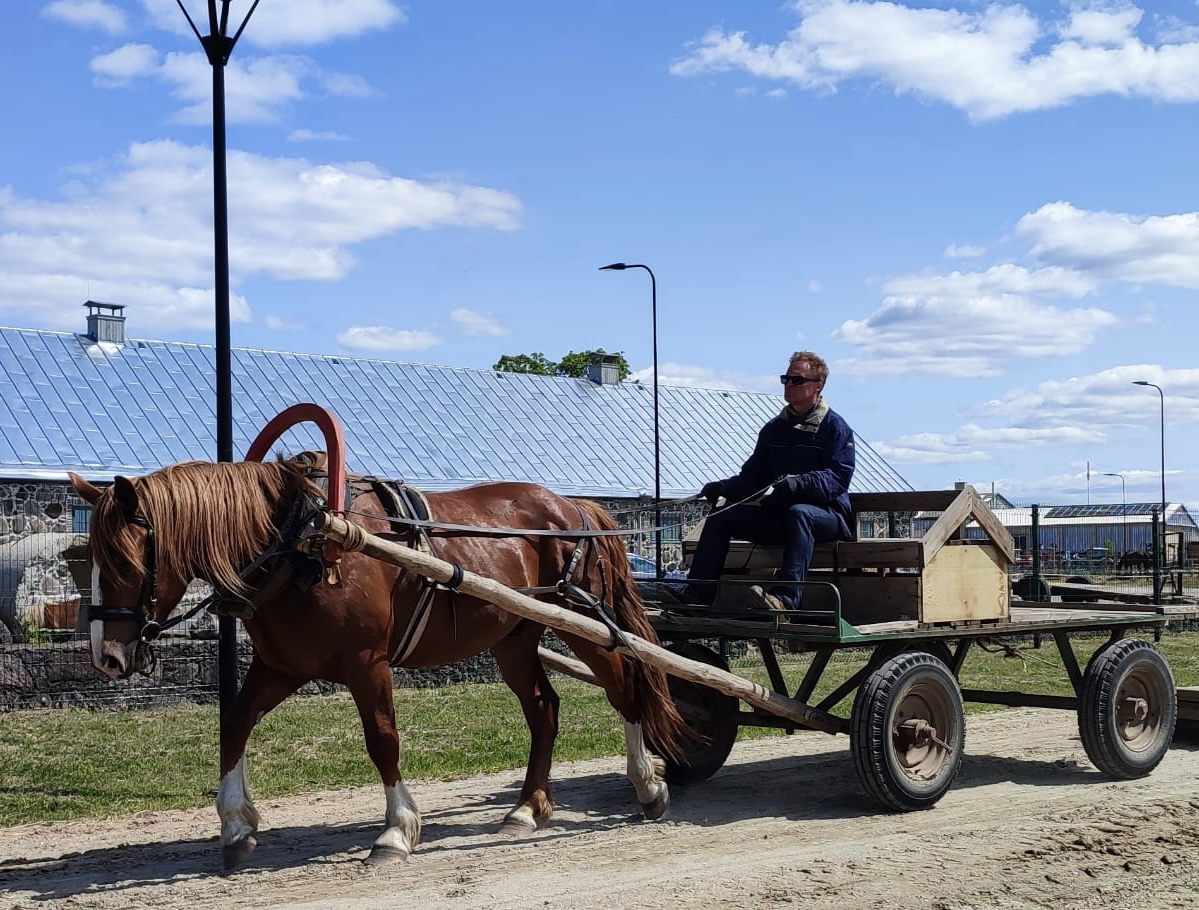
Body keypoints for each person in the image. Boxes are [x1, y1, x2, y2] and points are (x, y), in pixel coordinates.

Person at [685, 351, 856, 611]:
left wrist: (801, 483)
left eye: (797, 380)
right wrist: (724, 487)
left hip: (827, 516)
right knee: (721, 517)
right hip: (781, 515)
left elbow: (837, 477)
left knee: (800, 514)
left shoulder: (835, 428)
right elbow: (754, 477)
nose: (789, 385)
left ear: (817, 386)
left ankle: (785, 600)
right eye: (786, 379)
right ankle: (697, 595)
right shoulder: (774, 429)